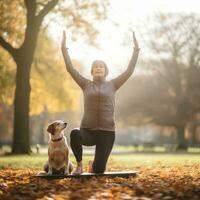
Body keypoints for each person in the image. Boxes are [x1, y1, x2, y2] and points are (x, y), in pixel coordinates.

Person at [61, 30, 140, 174]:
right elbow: (70, 69)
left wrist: (136, 50)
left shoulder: (113, 84)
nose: (98, 68)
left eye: (101, 66)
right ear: (92, 71)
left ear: (105, 71)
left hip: (107, 132)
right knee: (74, 133)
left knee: (98, 171)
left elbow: (129, 71)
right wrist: (64, 49)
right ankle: (80, 165)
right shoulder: (85, 84)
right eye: (95, 67)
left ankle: (95, 165)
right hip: (88, 131)